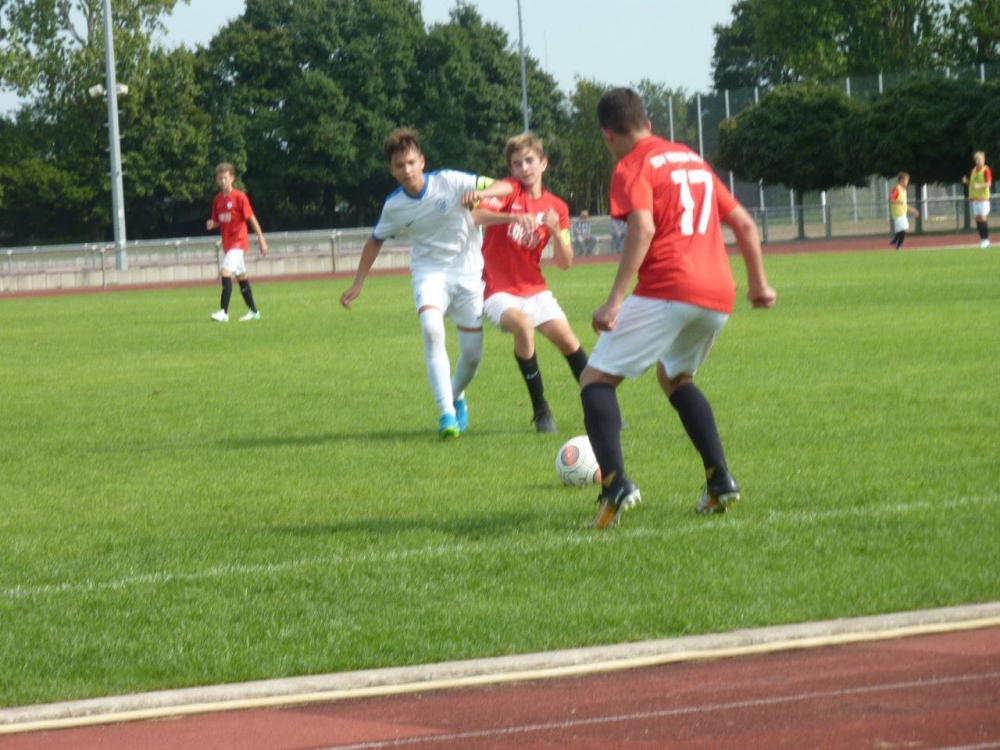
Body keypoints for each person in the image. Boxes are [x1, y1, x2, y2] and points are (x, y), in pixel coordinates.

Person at [581, 87, 776, 530]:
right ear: (648, 124)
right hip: (718, 294)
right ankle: (719, 480)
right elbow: (744, 224)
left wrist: (614, 301)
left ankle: (614, 484)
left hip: (669, 286)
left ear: (608, 135)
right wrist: (759, 284)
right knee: (675, 377)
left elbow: (643, 228)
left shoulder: (631, 165)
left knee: (595, 380)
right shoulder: (691, 159)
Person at [340, 128, 495, 439]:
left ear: (422, 161)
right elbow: (375, 241)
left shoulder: (450, 181)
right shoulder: (394, 206)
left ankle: (456, 396)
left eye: (411, 162)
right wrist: (358, 283)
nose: (407, 170)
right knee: (432, 329)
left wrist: (482, 194)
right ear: (392, 170)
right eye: (400, 166)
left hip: (467, 272)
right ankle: (446, 414)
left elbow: (500, 186)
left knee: (472, 356)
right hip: (429, 273)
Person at [466, 132, 589, 433]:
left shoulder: (557, 207)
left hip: (534, 288)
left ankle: (600, 409)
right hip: (496, 288)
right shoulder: (508, 191)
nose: (524, 168)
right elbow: (476, 216)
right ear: (512, 168)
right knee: (523, 325)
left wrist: (555, 231)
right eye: (517, 163)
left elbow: (565, 263)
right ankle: (540, 409)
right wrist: (511, 218)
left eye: (530, 160)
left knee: (568, 340)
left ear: (543, 164)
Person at [207, 163, 268, 322]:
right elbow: (219, 221)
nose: (223, 181)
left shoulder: (239, 197)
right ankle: (254, 312)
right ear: (217, 180)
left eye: (225, 177)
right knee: (242, 277)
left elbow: (251, 218)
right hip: (228, 244)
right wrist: (212, 224)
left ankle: (223, 312)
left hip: (238, 242)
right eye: (220, 178)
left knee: (225, 273)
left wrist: (261, 239)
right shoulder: (218, 200)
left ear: (232, 178)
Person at [961, 151, 992, 248]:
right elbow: (972, 184)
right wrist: (966, 181)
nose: (978, 161)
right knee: (977, 219)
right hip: (974, 198)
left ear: (983, 160)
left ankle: (986, 238)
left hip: (983, 198)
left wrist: (979, 186)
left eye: (979, 159)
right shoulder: (973, 170)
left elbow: (988, 183)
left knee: (983, 218)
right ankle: (982, 238)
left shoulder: (986, 170)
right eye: (976, 160)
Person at [888, 172, 919, 251]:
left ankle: (895, 241)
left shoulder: (904, 190)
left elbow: (904, 204)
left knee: (904, 229)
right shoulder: (897, 188)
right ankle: (898, 245)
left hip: (902, 213)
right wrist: (898, 202)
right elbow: (890, 199)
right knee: (904, 229)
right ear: (901, 180)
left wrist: (912, 210)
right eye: (906, 180)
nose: (907, 182)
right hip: (897, 213)